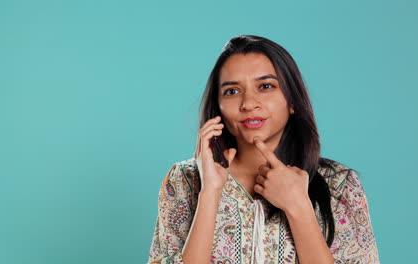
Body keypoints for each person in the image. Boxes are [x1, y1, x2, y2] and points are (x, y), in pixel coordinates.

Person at [146, 35, 380, 264]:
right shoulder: (185, 180)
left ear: (292, 102)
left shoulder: (339, 184)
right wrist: (210, 193)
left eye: (266, 86)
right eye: (232, 91)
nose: (248, 103)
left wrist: (298, 207)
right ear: (217, 106)